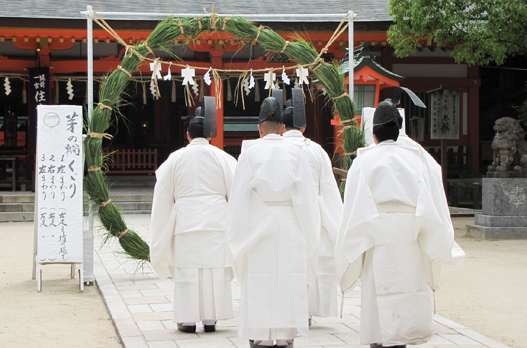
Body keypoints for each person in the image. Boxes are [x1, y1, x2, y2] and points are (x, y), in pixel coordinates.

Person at [336, 100, 465, 348]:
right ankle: (402, 339)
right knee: (408, 284)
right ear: (400, 131)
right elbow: (431, 200)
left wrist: (354, 237)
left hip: (376, 230)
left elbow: (352, 205)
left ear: (373, 135)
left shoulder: (363, 160)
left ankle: (378, 338)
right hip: (409, 232)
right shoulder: (417, 159)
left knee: (378, 290)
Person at [226, 96, 320, 348]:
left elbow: (239, 198)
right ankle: (285, 334)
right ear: (281, 127)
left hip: (258, 224)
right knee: (288, 278)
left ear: (259, 128)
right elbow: (307, 199)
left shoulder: (250, 151)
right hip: (290, 222)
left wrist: (239, 233)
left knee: (260, 279)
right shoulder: (297, 152)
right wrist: (310, 233)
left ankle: (260, 334)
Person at [150, 107, 237, 334]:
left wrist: (159, 237)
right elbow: (236, 193)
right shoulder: (223, 158)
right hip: (216, 221)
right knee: (213, 271)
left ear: (187, 136)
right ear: (210, 136)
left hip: (186, 223)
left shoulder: (175, 159)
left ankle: (187, 320)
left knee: (188, 272)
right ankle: (211, 318)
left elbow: (161, 200)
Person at [281, 98, 342, 321]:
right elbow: (328, 189)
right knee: (313, 256)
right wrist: (337, 224)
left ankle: (289, 307)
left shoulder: (277, 149)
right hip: (315, 211)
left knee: (288, 259)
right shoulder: (317, 151)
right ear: (304, 127)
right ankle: (308, 310)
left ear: (282, 127)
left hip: (286, 212)